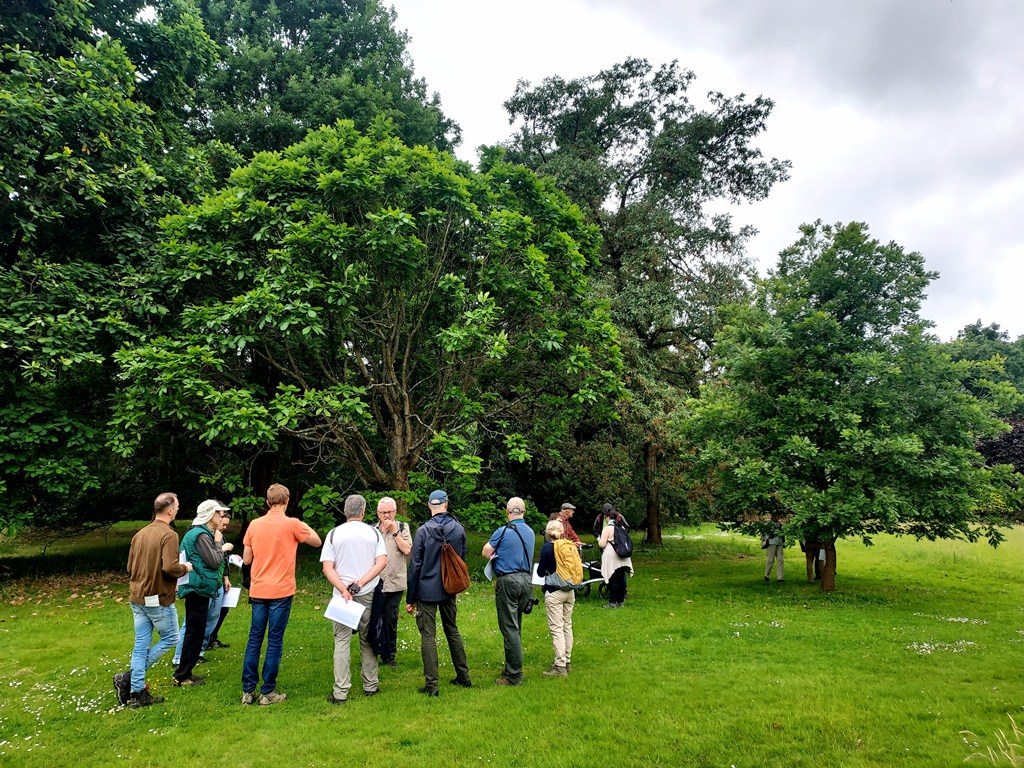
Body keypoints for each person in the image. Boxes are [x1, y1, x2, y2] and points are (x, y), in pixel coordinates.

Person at [241, 483, 321, 706]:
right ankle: (268, 692)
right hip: (281, 591)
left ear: (267, 502)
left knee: (254, 638)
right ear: (287, 501)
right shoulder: (293, 524)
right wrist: (297, 526)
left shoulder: (254, 525)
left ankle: (248, 691)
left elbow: (247, 559)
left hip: (258, 589)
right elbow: (316, 541)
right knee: (274, 640)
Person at [114, 492, 192, 708]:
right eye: (177, 506)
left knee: (140, 646)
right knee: (172, 638)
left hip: (136, 596)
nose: (177, 510)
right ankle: (130, 678)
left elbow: (130, 567)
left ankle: (137, 692)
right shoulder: (169, 535)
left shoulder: (140, 534)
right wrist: (185, 568)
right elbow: (170, 567)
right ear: (169, 510)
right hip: (157, 598)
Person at [320, 494, 388, 704]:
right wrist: (360, 582)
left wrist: (343, 588)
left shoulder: (334, 534)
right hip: (367, 592)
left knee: (341, 640)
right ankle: (371, 685)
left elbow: (327, 567)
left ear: (345, 511)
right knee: (367, 639)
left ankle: (341, 691)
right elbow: (381, 562)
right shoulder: (373, 533)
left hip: (342, 597)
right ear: (363, 511)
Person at [405, 489, 472, 696]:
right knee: (452, 630)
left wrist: (410, 598)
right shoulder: (458, 530)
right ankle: (464, 677)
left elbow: (415, 566)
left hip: (426, 591)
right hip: (449, 588)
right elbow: (460, 558)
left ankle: (432, 686)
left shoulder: (423, 531)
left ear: (429, 506)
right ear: (446, 504)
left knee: (428, 636)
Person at [172, 500, 232, 687]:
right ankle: (182, 675)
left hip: (199, 586)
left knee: (195, 630)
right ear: (209, 514)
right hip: (197, 587)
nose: (221, 516)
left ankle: (184, 672)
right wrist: (221, 547)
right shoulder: (200, 535)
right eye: (218, 513)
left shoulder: (199, 533)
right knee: (194, 632)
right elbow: (214, 561)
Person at [482, 496, 536, 686]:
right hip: (527, 581)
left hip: (508, 581)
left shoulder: (502, 531)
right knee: (516, 626)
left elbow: (485, 551)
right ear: (524, 512)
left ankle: (514, 675)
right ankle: (511, 666)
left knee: (509, 628)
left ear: (507, 512)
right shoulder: (530, 532)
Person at [535, 519, 579, 677]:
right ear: (562, 531)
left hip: (554, 591)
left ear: (547, 532)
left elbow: (540, 572)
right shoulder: (569, 545)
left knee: (557, 629)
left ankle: (559, 666)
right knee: (567, 625)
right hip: (570, 590)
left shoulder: (547, 548)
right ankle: (567, 661)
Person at [373, 496, 412, 668]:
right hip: (375, 581)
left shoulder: (403, 527)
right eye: (383, 512)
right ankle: (375, 650)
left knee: (390, 618)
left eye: (390, 512)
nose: (387, 516)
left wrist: (395, 532)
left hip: (395, 581)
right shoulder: (372, 530)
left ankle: (390, 655)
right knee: (375, 618)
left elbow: (407, 549)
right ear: (378, 513)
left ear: (395, 512)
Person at [205, 509, 236, 650]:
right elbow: (213, 558)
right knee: (209, 614)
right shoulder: (208, 537)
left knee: (222, 610)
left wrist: (226, 577)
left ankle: (212, 638)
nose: (224, 527)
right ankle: (205, 643)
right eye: (223, 524)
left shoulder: (220, 536)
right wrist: (222, 549)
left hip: (220, 579)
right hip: (211, 581)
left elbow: (222, 560)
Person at [598, 503, 633, 607]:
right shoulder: (621, 527)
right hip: (623, 556)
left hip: (612, 556)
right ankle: (621, 601)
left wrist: (600, 541)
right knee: (621, 578)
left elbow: (602, 544)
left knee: (613, 579)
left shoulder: (607, 528)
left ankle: (612, 602)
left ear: (608, 517)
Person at [762, 514, 785, 582]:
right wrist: (766, 540)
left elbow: (782, 533)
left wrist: (783, 541)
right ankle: (766, 575)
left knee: (780, 560)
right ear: (773, 516)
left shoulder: (780, 524)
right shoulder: (768, 524)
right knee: (770, 560)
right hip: (771, 543)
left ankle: (780, 577)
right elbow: (763, 533)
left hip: (779, 543)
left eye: (779, 516)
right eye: (777, 516)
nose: (778, 517)